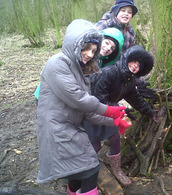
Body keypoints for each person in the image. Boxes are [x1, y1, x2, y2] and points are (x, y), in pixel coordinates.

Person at [36, 19, 131, 195]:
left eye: (93, 51)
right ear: (75, 43)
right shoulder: (58, 63)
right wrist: (109, 110)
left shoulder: (82, 71)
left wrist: (115, 122)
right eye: (86, 48)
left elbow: (88, 112)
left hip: (70, 127)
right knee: (90, 169)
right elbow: (79, 99)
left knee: (79, 170)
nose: (89, 54)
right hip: (57, 129)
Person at [83, 45, 158, 186]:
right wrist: (120, 109)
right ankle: (85, 173)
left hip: (110, 113)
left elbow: (135, 99)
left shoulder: (129, 81)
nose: (135, 67)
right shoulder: (108, 72)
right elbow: (98, 99)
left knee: (115, 139)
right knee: (95, 146)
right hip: (92, 113)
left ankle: (117, 170)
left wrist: (150, 112)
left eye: (139, 66)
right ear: (126, 59)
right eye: (134, 62)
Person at [34, 27, 124, 100]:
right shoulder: (77, 55)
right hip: (49, 96)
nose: (108, 48)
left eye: (112, 48)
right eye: (107, 43)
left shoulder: (101, 64)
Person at [95, 0, 156, 100]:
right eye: (123, 10)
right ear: (116, 11)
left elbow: (129, 59)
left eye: (129, 12)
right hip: (98, 70)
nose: (126, 14)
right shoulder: (104, 25)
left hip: (116, 75)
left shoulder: (130, 32)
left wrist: (137, 81)